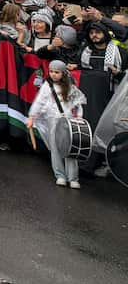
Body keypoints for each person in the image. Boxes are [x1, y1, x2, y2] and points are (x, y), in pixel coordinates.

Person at [27, 61, 88, 189]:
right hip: (52, 119)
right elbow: (40, 101)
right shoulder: (47, 85)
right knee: (55, 147)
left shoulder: (70, 86)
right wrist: (32, 116)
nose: (53, 75)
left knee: (69, 147)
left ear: (63, 73)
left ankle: (73, 178)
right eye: (51, 72)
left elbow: (77, 104)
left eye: (57, 72)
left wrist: (79, 117)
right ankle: (60, 175)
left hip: (68, 121)